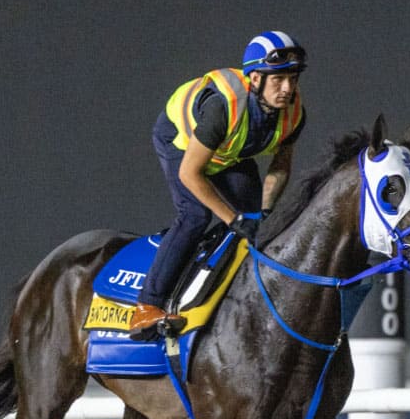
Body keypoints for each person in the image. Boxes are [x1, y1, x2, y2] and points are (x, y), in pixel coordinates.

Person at [128, 31, 308, 340]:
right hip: (184, 146)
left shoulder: (294, 113)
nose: (287, 88)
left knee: (254, 222)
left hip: (229, 151)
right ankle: (148, 306)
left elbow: (280, 167)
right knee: (196, 215)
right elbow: (190, 174)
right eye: (278, 80)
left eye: (292, 78)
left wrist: (262, 213)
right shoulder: (222, 108)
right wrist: (232, 219)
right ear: (254, 79)